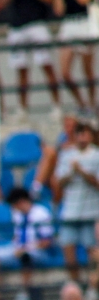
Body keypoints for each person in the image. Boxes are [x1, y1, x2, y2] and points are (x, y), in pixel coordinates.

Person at [0, 0, 60, 120]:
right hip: (17, 27)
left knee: (46, 64)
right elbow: (1, 3)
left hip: (37, 24)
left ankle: (57, 105)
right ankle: (23, 108)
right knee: (21, 69)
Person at [0, 188, 56, 293]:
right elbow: (17, 237)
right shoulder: (17, 215)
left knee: (25, 256)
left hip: (38, 251)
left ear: (21, 202)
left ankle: (26, 292)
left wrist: (27, 248)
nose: (13, 208)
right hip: (19, 248)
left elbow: (47, 242)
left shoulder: (41, 213)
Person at [53, 121, 99, 282]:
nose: (82, 137)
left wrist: (82, 172)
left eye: (86, 133)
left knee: (92, 251)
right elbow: (59, 183)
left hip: (91, 211)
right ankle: (75, 283)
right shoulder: (67, 155)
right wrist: (72, 172)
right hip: (70, 211)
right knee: (68, 248)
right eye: (79, 134)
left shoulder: (96, 156)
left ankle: (93, 283)